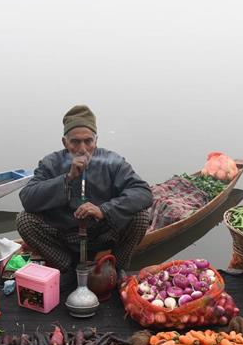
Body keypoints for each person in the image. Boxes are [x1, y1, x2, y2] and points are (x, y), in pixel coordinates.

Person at [17, 105, 153, 289]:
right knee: (24, 220)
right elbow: (27, 198)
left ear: (96, 140)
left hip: (102, 233)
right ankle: (68, 268)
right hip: (65, 235)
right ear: (65, 142)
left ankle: (117, 266)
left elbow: (143, 192)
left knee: (141, 216)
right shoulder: (51, 163)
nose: (82, 149)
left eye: (88, 141)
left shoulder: (113, 161)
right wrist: (67, 178)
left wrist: (104, 210)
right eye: (75, 142)